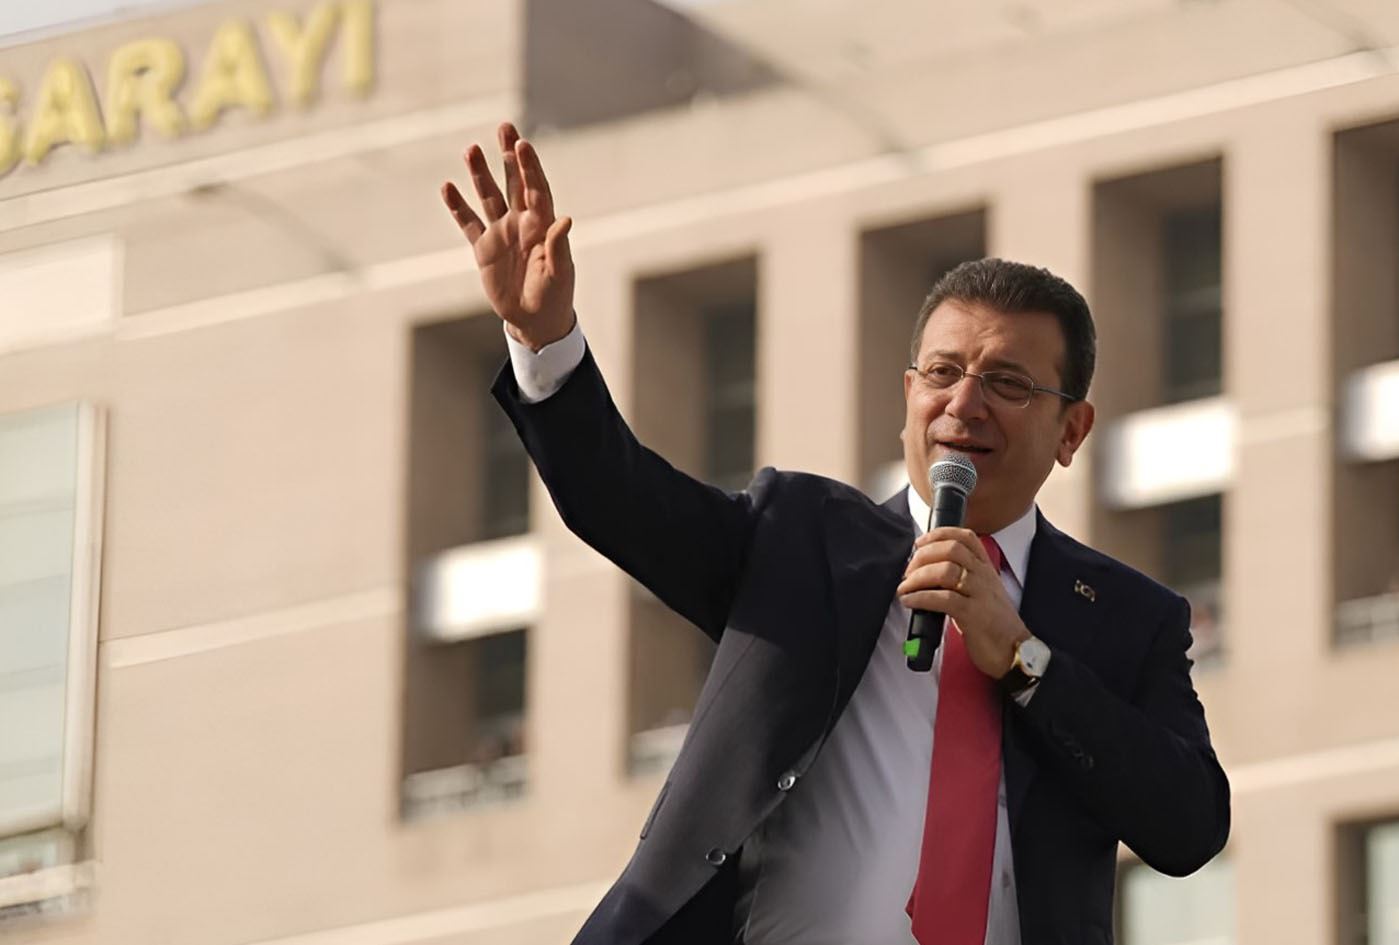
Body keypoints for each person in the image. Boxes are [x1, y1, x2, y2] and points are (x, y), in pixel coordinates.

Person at [440, 123, 1231, 945]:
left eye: (1007, 383)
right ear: (909, 396)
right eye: (943, 372)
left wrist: (1026, 660)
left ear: (1072, 430)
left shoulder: (1128, 618)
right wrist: (545, 341)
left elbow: (1191, 825)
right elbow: (621, 498)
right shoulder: (800, 541)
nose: (963, 404)